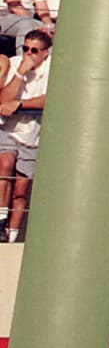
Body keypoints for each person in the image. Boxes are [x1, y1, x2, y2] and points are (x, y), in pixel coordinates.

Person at [0, 29, 51, 242]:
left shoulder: (53, 69)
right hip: (8, 129)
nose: (28, 53)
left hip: (33, 134)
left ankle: (10, 237)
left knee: (20, 189)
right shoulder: (14, 63)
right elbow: (3, 98)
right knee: (4, 163)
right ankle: (1, 220)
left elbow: (50, 98)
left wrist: (21, 103)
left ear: (45, 53)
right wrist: (21, 72)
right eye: (25, 48)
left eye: (34, 50)